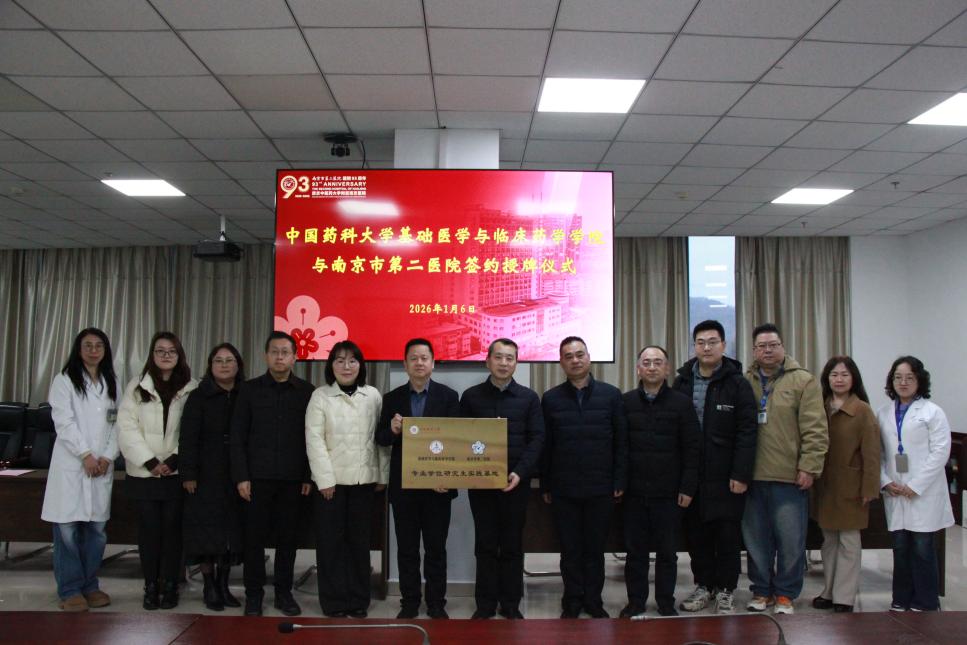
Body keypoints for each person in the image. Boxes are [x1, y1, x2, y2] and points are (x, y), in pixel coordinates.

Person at [671, 320, 757, 615]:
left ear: (723, 345)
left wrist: (741, 473)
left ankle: (726, 590)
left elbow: (747, 432)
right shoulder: (682, 381)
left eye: (712, 342)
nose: (706, 347)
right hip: (691, 475)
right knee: (697, 535)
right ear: (694, 346)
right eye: (700, 342)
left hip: (726, 475)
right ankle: (704, 586)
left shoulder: (737, 384)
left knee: (727, 535)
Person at [743, 323, 828, 615]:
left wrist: (809, 467)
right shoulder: (745, 381)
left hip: (789, 477)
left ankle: (785, 594)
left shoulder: (803, 381)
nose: (767, 351)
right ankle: (761, 591)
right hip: (752, 476)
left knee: (791, 541)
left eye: (773, 345)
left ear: (782, 347)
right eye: (761, 346)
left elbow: (816, 429)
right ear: (754, 350)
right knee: (756, 541)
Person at [540, 336, 627, 618]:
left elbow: (621, 442)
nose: (575, 360)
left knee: (594, 549)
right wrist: (546, 484)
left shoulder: (611, 395)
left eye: (580, 354)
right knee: (570, 550)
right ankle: (572, 601)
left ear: (589, 358)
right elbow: (546, 445)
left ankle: (593, 601)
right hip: (564, 488)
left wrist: (619, 480)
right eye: (569, 356)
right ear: (561, 362)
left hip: (600, 487)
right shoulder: (551, 398)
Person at [230, 331, 314, 617]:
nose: (280, 357)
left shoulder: (307, 391)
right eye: (274, 352)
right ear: (266, 356)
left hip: (293, 480)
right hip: (256, 479)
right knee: (253, 540)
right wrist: (241, 476)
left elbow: (312, 438)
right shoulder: (249, 390)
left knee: (287, 540)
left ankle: (283, 593)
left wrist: (307, 476)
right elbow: (238, 436)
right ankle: (254, 595)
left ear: (294, 357)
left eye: (285, 352)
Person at [375, 338, 460, 619]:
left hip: (438, 487)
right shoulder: (392, 398)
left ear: (433, 363)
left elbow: (457, 442)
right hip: (404, 488)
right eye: (414, 358)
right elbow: (381, 439)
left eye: (424, 358)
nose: (419, 363)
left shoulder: (449, 397)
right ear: (405, 364)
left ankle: (436, 603)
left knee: (436, 549)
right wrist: (392, 429)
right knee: (407, 549)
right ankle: (409, 603)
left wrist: (448, 477)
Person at [460, 338, 544, 620]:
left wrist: (520, 472)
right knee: (484, 545)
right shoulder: (471, 397)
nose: (504, 363)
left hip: (515, 483)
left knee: (512, 545)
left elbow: (537, 439)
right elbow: (459, 439)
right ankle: (484, 605)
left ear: (516, 363)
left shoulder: (529, 398)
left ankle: (510, 603)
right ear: (488, 361)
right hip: (481, 484)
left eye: (510, 358)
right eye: (499, 357)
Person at [306, 340, 388, 618]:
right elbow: (314, 440)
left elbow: (380, 440)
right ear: (331, 366)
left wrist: (382, 474)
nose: (346, 366)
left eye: (352, 360)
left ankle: (358, 600)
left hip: (364, 483)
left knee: (359, 544)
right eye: (340, 360)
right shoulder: (320, 396)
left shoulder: (373, 395)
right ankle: (333, 602)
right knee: (331, 544)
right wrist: (325, 480)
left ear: (361, 365)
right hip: (331, 485)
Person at [118, 331, 198, 610]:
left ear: (179, 356)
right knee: (149, 532)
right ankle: (151, 586)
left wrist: (175, 459)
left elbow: (193, 429)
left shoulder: (191, 387)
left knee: (173, 533)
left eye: (171, 351)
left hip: (176, 473)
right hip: (145, 474)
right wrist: (149, 461)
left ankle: (171, 585)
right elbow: (126, 428)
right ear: (152, 355)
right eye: (160, 350)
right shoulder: (136, 386)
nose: (166, 355)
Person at [42, 328, 120, 612]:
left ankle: (90, 585)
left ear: (105, 350)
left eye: (99, 345)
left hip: (101, 467)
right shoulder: (64, 381)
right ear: (78, 349)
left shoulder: (112, 381)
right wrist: (86, 454)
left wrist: (107, 457)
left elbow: (118, 423)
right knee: (67, 532)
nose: (93, 350)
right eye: (88, 345)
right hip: (73, 465)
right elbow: (63, 421)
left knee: (96, 532)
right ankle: (70, 589)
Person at [621, 345, 700, 617]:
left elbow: (692, 448)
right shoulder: (626, 402)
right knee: (635, 553)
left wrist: (688, 487)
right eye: (646, 362)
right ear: (638, 369)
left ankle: (666, 601)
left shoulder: (681, 403)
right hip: (634, 493)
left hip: (669, 493)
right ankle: (636, 601)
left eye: (658, 362)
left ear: (667, 369)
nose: (652, 367)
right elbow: (620, 448)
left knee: (668, 553)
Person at [877, 356, 953, 612]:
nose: (903, 382)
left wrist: (916, 485)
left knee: (922, 548)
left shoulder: (933, 412)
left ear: (920, 380)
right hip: (895, 490)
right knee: (900, 547)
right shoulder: (883, 413)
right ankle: (901, 599)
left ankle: (926, 601)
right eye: (898, 377)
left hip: (923, 492)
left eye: (909, 377)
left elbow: (940, 452)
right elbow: (879, 454)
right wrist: (886, 481)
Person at [810, 356, 880, 613]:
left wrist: (870, 488)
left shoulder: (862, 410)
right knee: (829, 541)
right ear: (826, 379)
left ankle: (844, 596)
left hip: (852, 486)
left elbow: (872, 454)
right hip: (825, 486)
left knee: (849, 541)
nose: (839, 379)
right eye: (834, 375)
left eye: (844, 375)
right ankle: (828, 591)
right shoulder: (819, 406)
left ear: (854, 379)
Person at [179, 343, 246, 611]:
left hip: (237, 474)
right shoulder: (199, 396)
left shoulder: (246, 393)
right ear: (210, 366)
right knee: (206, 532)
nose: (224, 365)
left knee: (231, 532)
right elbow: (187, 438)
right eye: (218, 360)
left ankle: (223, 584)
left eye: (230, 360)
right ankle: (209, 585)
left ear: (238, 364)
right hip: (205, 475)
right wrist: (188, 473)